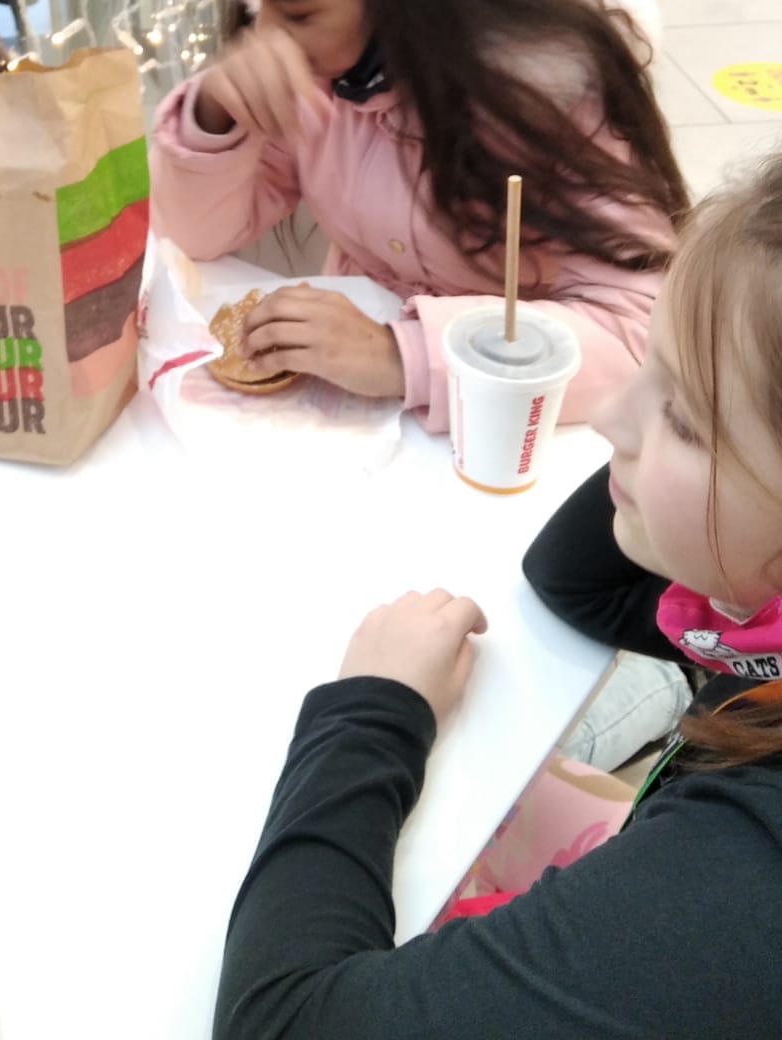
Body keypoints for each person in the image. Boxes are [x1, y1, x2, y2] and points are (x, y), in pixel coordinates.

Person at [212, 153, 782, 1039]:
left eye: (682, 417)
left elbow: (279, 1024)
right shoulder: (756, 641)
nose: (611, 419)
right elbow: (576, 581)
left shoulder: (747, 885)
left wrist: (371, 710)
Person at [151, 0, 685, 432]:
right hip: (359, 425)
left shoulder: (549, 96)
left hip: (515, 437)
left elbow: (643, 331)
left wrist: (402, 354)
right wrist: (212, 119)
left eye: (298, 12)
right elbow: (195, 237)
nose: (267, 37)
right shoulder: (318, 76)